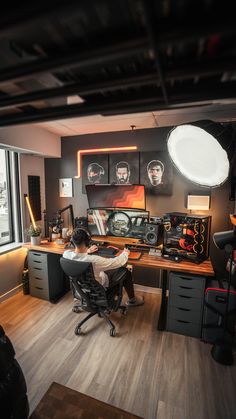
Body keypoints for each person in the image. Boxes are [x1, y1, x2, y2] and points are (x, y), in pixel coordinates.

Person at [63, 228, 144, 307]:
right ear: (87, 242)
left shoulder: (66, 254)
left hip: (81, 290)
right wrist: (125, 253)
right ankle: (132, 300)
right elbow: (115, 262)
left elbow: (79, 256)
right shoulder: (93, 260)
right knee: (126, 272)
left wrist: (87, 251)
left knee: (104, 269)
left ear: (73, 242)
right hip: (98, 289)